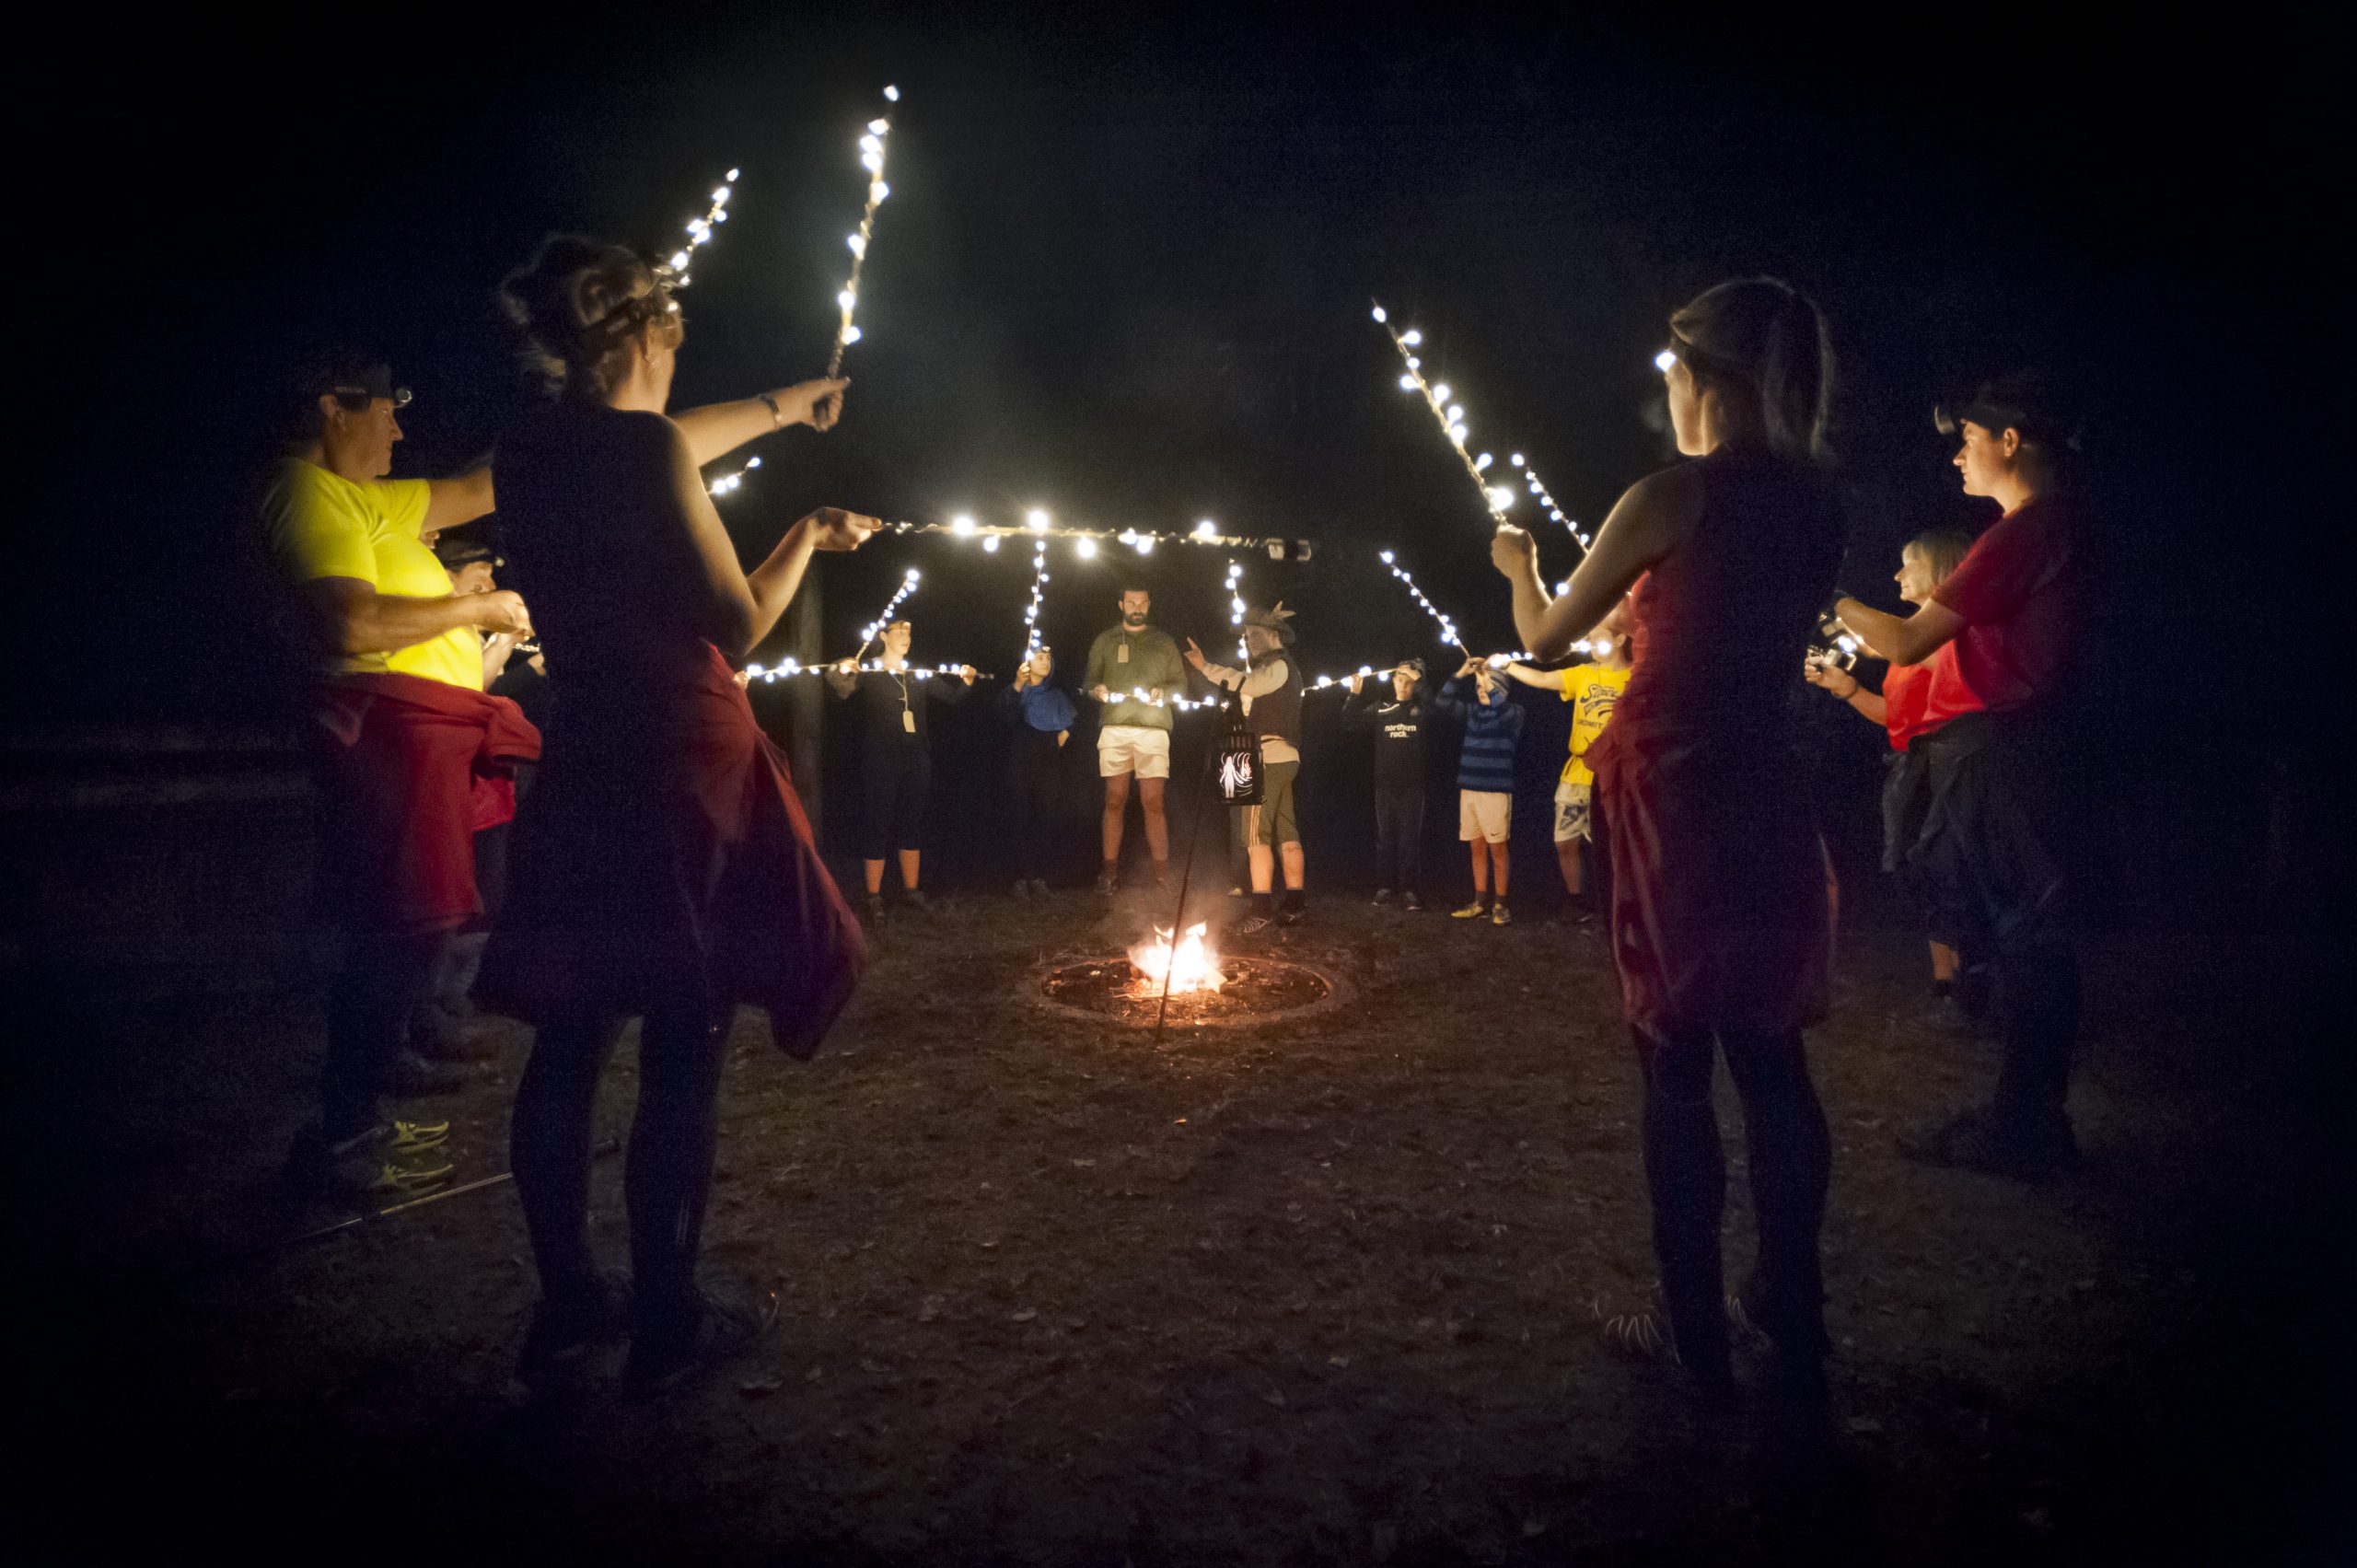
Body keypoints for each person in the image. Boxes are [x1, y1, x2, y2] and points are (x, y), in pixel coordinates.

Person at [482, 234, 876, 1395]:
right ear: (646, 333)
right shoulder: (645, 449)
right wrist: (803, 535)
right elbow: (739, 622)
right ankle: (669, 1315)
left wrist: (780, 405)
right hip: (680, 762)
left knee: (568, 1037)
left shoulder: (530, 452)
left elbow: (660, 446)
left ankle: (568, 1302)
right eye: (674, 331)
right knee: (681, 1037)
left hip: (590, 749)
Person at [1491, 277, 1844, 1401]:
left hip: (1676, 795)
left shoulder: (1667, 494)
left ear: (1697, 379)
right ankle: (1791, 1305)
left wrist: (1517, 570)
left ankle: (1692, 1334)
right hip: (1768, 782)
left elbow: (1545, 633)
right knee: (1773, 1058)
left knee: (1675, 1058)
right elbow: (1712, 617)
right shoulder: (1817, 501)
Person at [259, 352, 537, 1204]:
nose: (401, 425)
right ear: (333, 406)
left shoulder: (368, 502)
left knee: (416, 923)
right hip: (387, 743)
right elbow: (351, 623)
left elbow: (483, 485)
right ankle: (342, 1138)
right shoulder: (305, 492)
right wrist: (475, 609)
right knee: (397, 926)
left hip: (427, 741)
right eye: (389, 406)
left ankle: (359, 1118)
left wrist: (588, 421)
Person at [1832, 372, 2088, 1180]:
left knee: (2027, 932)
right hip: (2018, 744)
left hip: (2000, 747)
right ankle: (2027, 1114)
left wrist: (1825, 593)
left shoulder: (2022, 530)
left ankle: (2026, 1126)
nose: (1957, 456)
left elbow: (1908, 643)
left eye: (1968, 438)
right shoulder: (2055, 528)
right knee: (2025, 928)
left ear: (2010, 439)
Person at [1805, 530, 1989, 1024]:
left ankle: (1975, 986)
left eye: (1909, 564)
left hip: (1951, 765)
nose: (1897, 574)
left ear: (1942, 570)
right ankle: (1946, 985)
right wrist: (1846, 689)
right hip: (1916, 767)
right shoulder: (1911, 644)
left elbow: (1904, 649)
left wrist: (1836, 598)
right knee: (1924, 873)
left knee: (1950, 870)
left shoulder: (1951, 632)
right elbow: (1898, 718)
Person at [825, 620, 976, 918]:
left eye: (909, 632)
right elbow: (840, 689)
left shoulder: (917, 673)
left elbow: (951, 696)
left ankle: (911, 891)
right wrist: (838, 669)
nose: (906, 636)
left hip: (917, 758)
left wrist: (967, 682)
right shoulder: (869, 669)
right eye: (900, 632)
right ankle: (873, 896)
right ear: (883, 636)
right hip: (879, 759)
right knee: (877, 822)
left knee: (912, 821)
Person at [1504, 598, 1632, 923]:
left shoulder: (1633, 679)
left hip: (1614, 775)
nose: (1591, 643)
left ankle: (1619, 906)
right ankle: (1575, 901)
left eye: (1598, 636)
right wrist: (1506, 666)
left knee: (1614, 846)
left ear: (1620, 638)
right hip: (1576, 772)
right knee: (1565, 841)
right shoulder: (1583, 674)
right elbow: (1543, 680)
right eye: (1589, 638)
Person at [1187, 604, 1306, 933]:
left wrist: (1205, 667)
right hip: (1280, 758)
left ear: (1274, 634)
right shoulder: (1279, 668)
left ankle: (1262, 907)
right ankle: (1295, 903)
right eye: (1247, 635)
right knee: (1286, 833)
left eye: (1255, 633)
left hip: (1269, 759)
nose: (1249, 639)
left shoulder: (1279, 666)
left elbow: (1249, 686)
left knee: (1255, 836)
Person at [1085, 585, 1185, 893]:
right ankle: (1109, 873)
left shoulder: (1164, 641)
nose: (1137, 607)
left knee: (1153, 802)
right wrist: (1097, 690)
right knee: (1114, 799)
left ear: (1149, 605)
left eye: (1142, 602)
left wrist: (1164, 693)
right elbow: (1090, 680)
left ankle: (1162, 875)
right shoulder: (1105, 640)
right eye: (1131, 602)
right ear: (1121, 604)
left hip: (1153, 729)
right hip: (1115, 727)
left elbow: (1179, 683)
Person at [1430, 657, 1526, 925]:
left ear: (1503, 689)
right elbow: (1442, 703)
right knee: (1476, 847)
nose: (1482, 687)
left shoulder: (1514, 713)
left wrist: (1489, 682)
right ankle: (1481, 901)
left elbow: (1502, 710)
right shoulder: (1472, 711)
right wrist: (1460, 673)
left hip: (1495, 792)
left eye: (1490, 684)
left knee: (1498, 849)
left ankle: (1501, 905)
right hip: (1469, 788)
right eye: (1480, 684)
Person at [1342, 658, 1431, 910]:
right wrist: (1354, 694)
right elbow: (1350, 723)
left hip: (1413, 786)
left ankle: (1410, 889)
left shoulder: (1422, 709)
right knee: (1385, 837)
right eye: (1400, 678)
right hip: (1384, 785)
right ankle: (1384, 887)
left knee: (1409, 839)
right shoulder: (1381, 709)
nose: (1404, 684)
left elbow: (1434, 702)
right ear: (1393, 680)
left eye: (1410, 680)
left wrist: (1418, 677)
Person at [1004, 645, 1077, 896]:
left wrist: (1064, 733)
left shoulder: (1056, 695)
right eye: (1039, 657)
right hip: (1021, 763)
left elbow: (1069, 723)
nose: (1045, 662)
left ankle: (1039, 877)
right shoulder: (1018, 692)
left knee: (1046, 818)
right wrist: (1017, 684)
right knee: (1020, 817)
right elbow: (1005, 717)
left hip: (1049, 764)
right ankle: (1020, 878)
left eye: (1048, 658)